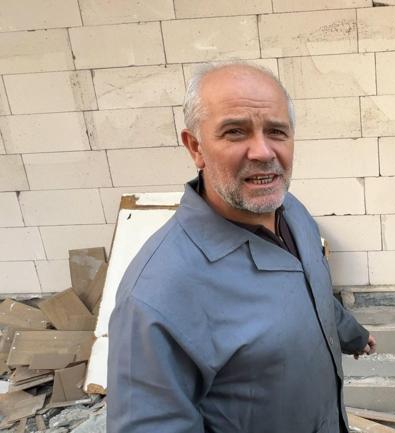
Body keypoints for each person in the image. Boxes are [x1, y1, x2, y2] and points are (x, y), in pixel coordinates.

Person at [107, 63, 375, 433]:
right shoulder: (156, 295)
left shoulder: (292, 212)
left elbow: (308, 289)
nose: (263, 152)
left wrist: (352, 334)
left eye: (276, 131)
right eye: (235, 132)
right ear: (196, 147)